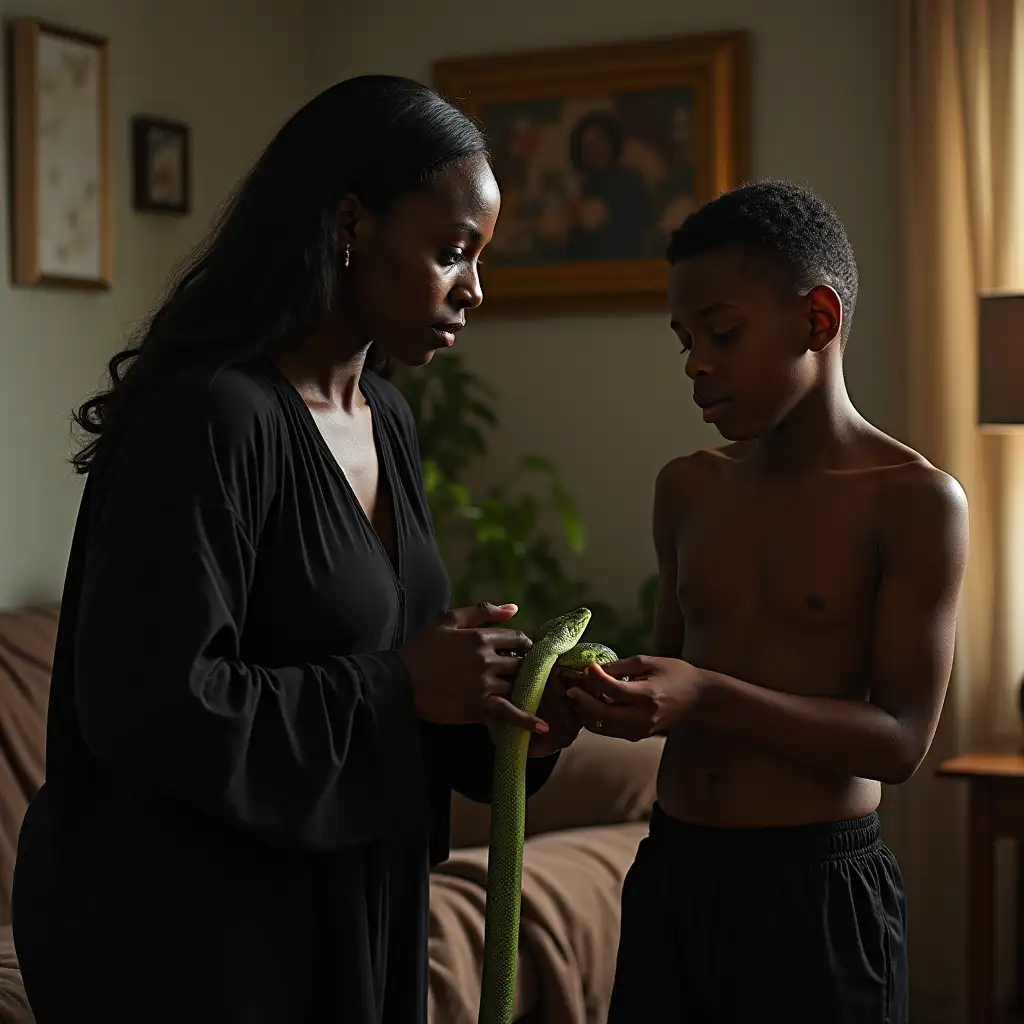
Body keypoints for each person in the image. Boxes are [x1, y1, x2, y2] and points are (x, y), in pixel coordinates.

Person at [12, 76, 582, 1024]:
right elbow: (149, 706)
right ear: (350, 223)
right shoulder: (210, 418)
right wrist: (406, 685)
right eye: (449, 252)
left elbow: (376, 675)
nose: (475, 290)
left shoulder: (386, 418)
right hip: (199, 936)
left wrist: (508, 711)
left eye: (479, 258)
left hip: (357, 908)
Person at [564, 181, 969, 1022]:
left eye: (722, 332)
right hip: (676, 872)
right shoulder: (686, 489)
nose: (696, 363)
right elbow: (670, 679)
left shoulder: (916, 501)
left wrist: (706, 693)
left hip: (813, 892)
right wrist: (599, 697)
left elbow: (898, 742)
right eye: (684, 340)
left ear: (818, 322)